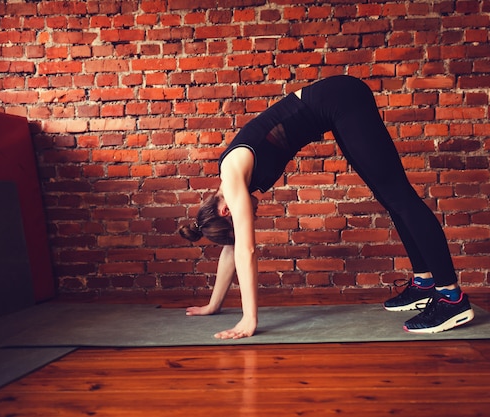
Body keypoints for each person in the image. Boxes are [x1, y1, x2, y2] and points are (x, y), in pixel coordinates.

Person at [179, 75, 474, 340]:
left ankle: (451, 299)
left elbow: (246, 250)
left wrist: (249, 319)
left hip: (342, 100)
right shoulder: (230, 181)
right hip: (336, 107)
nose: (252, 218)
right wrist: (213, 305)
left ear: (225, 211)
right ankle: (424, 284)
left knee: (399, 196)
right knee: (389, 197)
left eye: (242, 223)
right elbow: (234, 248)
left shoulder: (232, 179)